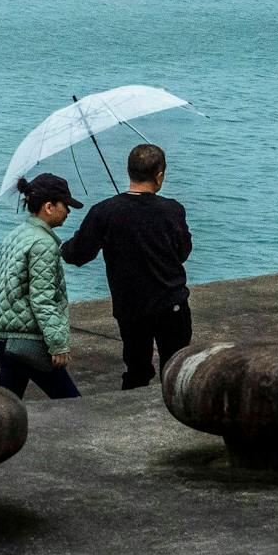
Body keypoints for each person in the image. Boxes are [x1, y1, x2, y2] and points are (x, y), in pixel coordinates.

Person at [60, 143, 193, 390]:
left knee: (137, 370)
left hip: (131, 308)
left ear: (129, 172)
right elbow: (183, 252)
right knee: (176, 368)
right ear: (159, 175)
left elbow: (78, 254)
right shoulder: (173, 209)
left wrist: (59, 246)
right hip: (171, 303)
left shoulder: (105, 211)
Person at [0, 172, 82, 399]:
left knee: (7, 407)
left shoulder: (17, 234)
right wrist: (58, 345)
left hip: (7, 337)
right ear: (49, 207)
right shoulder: (43, 244)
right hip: (28, 341)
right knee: (74, 405)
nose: (68, 211)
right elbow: (42, 298)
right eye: (65, 205)